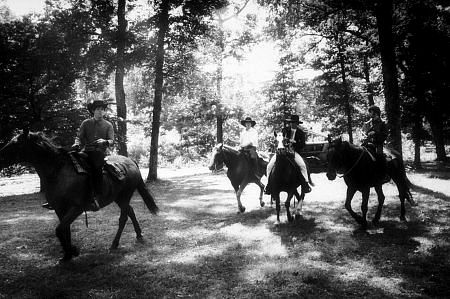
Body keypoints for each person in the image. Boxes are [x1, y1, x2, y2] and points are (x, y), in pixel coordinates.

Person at [42, 99, 114, 211]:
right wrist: (76, 144)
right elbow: (79, 137)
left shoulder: (108, 125)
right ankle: (58, 197)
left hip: (99, 153)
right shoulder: (86, 123)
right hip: (85, 151)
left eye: (102, 110)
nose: (100, 112)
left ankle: (95, 197)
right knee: (68, 163)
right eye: (98, 109)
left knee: (95, 167)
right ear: (93, 111)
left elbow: (111, 140)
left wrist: (105, 141)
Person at [265, 114, 311, 194]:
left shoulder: (301, 133)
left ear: (297, 123)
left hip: (294, 152)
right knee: (269, 165)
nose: (293, 124)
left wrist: (295, 143)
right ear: (290, 123)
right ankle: (269, 185)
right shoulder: (285, 130)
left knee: (303, 165)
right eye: (292, 122)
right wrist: (286, 142)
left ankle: (305, 184)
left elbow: (303, 144)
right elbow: (280, 139)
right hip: (283, 151)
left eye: (295, 123)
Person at [362, 105, 389, 182]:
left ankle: (384, 175)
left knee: (380, 156)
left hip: (378, 144)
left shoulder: (383, 123)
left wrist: (375, 133)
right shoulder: (368, 123)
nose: (369, 114)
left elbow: (385, 135)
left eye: (371, 112)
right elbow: (364, 132)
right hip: (366, 143)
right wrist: (363, 135)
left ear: (375, 113)